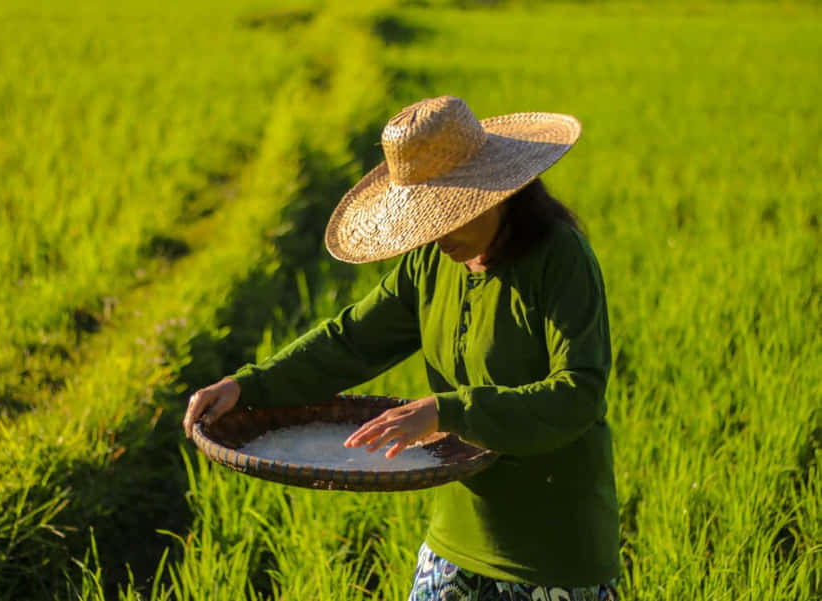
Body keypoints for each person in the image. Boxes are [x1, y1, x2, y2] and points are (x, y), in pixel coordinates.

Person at [183, 95, 620, 601]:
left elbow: (578, 394)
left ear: (492, 192)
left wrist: (446, 411)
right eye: (427, 220)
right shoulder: (432, 266)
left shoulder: (560, 259)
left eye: (446, 216)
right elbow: (351, 340)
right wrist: (248, 385)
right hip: (456, 539)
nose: (435, 236)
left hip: (555, 552)